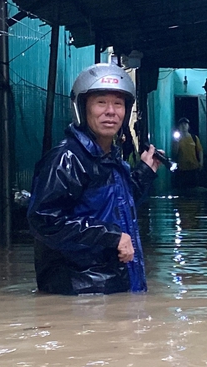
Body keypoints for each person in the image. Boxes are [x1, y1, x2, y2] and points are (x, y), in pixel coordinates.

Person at [27, 63, 163, 295]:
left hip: (112, 288)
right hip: (80, 294)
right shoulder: (67, 159)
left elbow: (116, 205)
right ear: (83, 107)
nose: (111, 111)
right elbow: (44, 221)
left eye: (118, 104)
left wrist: (145, 172)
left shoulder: (111, 158)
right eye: (101, 102)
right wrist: (111, 236)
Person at [171, 117, 203, 189]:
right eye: (181, 124)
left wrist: (201, 162)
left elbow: (200, 150)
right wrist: (177, 142)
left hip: (194, 168)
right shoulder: (176, 140)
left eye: (185, 124)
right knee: (183, 190)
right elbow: (175, 153)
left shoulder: (194, 137)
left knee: (194, 189)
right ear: (179, 127)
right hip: (182, 170)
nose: (183, 126)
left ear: (188, 126)